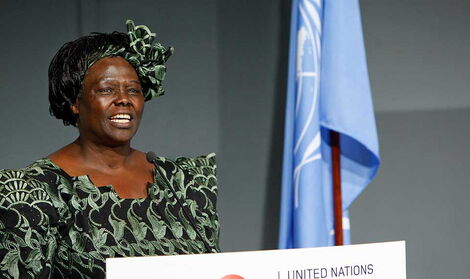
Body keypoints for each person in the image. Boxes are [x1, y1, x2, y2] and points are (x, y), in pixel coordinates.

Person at [0, 20, 219, 279]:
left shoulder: (185, 183)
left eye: (133, 90)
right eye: (106, 89)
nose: (124, 99)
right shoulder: (33, 193)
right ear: (74, 102)